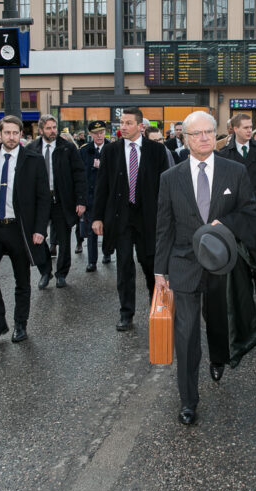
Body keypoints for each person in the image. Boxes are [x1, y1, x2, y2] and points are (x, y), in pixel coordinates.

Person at [154, 111, 256, 425]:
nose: (203, 138)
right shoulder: (169, 178)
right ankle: (188, 400)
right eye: (196, 133)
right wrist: (160, 271)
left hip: (219, 263)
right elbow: (164, 227)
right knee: (185, 335)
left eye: (209, 132)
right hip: (183, 264)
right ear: (185, 139)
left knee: (217, 322)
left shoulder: (235, 171)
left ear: (218, 134)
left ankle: (218, 358)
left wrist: (223, 224)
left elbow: (251, 213)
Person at [0, 115, 50, 347]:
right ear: (0, 134)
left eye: (16, 133)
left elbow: (44, 198)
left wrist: (39, 229)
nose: (11, 137)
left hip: (19, 228)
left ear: (21, 134)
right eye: (7, 133)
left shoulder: (33, 160)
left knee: (22, 280)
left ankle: (20, 323)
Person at [92, 108, 170, 331]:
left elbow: (165, 187)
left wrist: (166, 218)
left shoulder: (157, 150)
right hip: (121, 217)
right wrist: (97, 217)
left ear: (140, 126)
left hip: (148, 218)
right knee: (124, 265)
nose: (122, 127)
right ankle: (126, 313)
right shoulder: (111, 150)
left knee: (150, 265)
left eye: (127, 123)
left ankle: (157, 309)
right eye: (121, 123)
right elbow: (102, 186)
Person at [218, 113, 256, 298]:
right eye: (245, 127)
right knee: (241, 248)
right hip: (237, 209)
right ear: (235, 129)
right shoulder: (225, 153)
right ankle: (243, 283)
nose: (249, 130)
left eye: (250, 127)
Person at [27, 114, 87, 289]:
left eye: (54, 127)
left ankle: (62, 273)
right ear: (40, 130)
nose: (52, 131)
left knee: (64, 239)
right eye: (48, 128)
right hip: (40, 202)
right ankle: (45, 271)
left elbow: (79, 174)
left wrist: (80, 200)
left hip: (62, 200)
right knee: (37, 238)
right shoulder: (31, 149)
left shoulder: (67, 148)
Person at [78, 120, 108, 272]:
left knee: (108, 227)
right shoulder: (84, 150)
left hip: (108, 197)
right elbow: (80, 175)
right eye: (96, 133)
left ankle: (107, 253)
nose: (99, 135)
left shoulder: (112, 148)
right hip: (90, 197)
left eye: (101, 132)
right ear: (90, 134)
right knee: (91, 231)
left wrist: (101, 165)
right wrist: (81, 200)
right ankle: (92, 261)